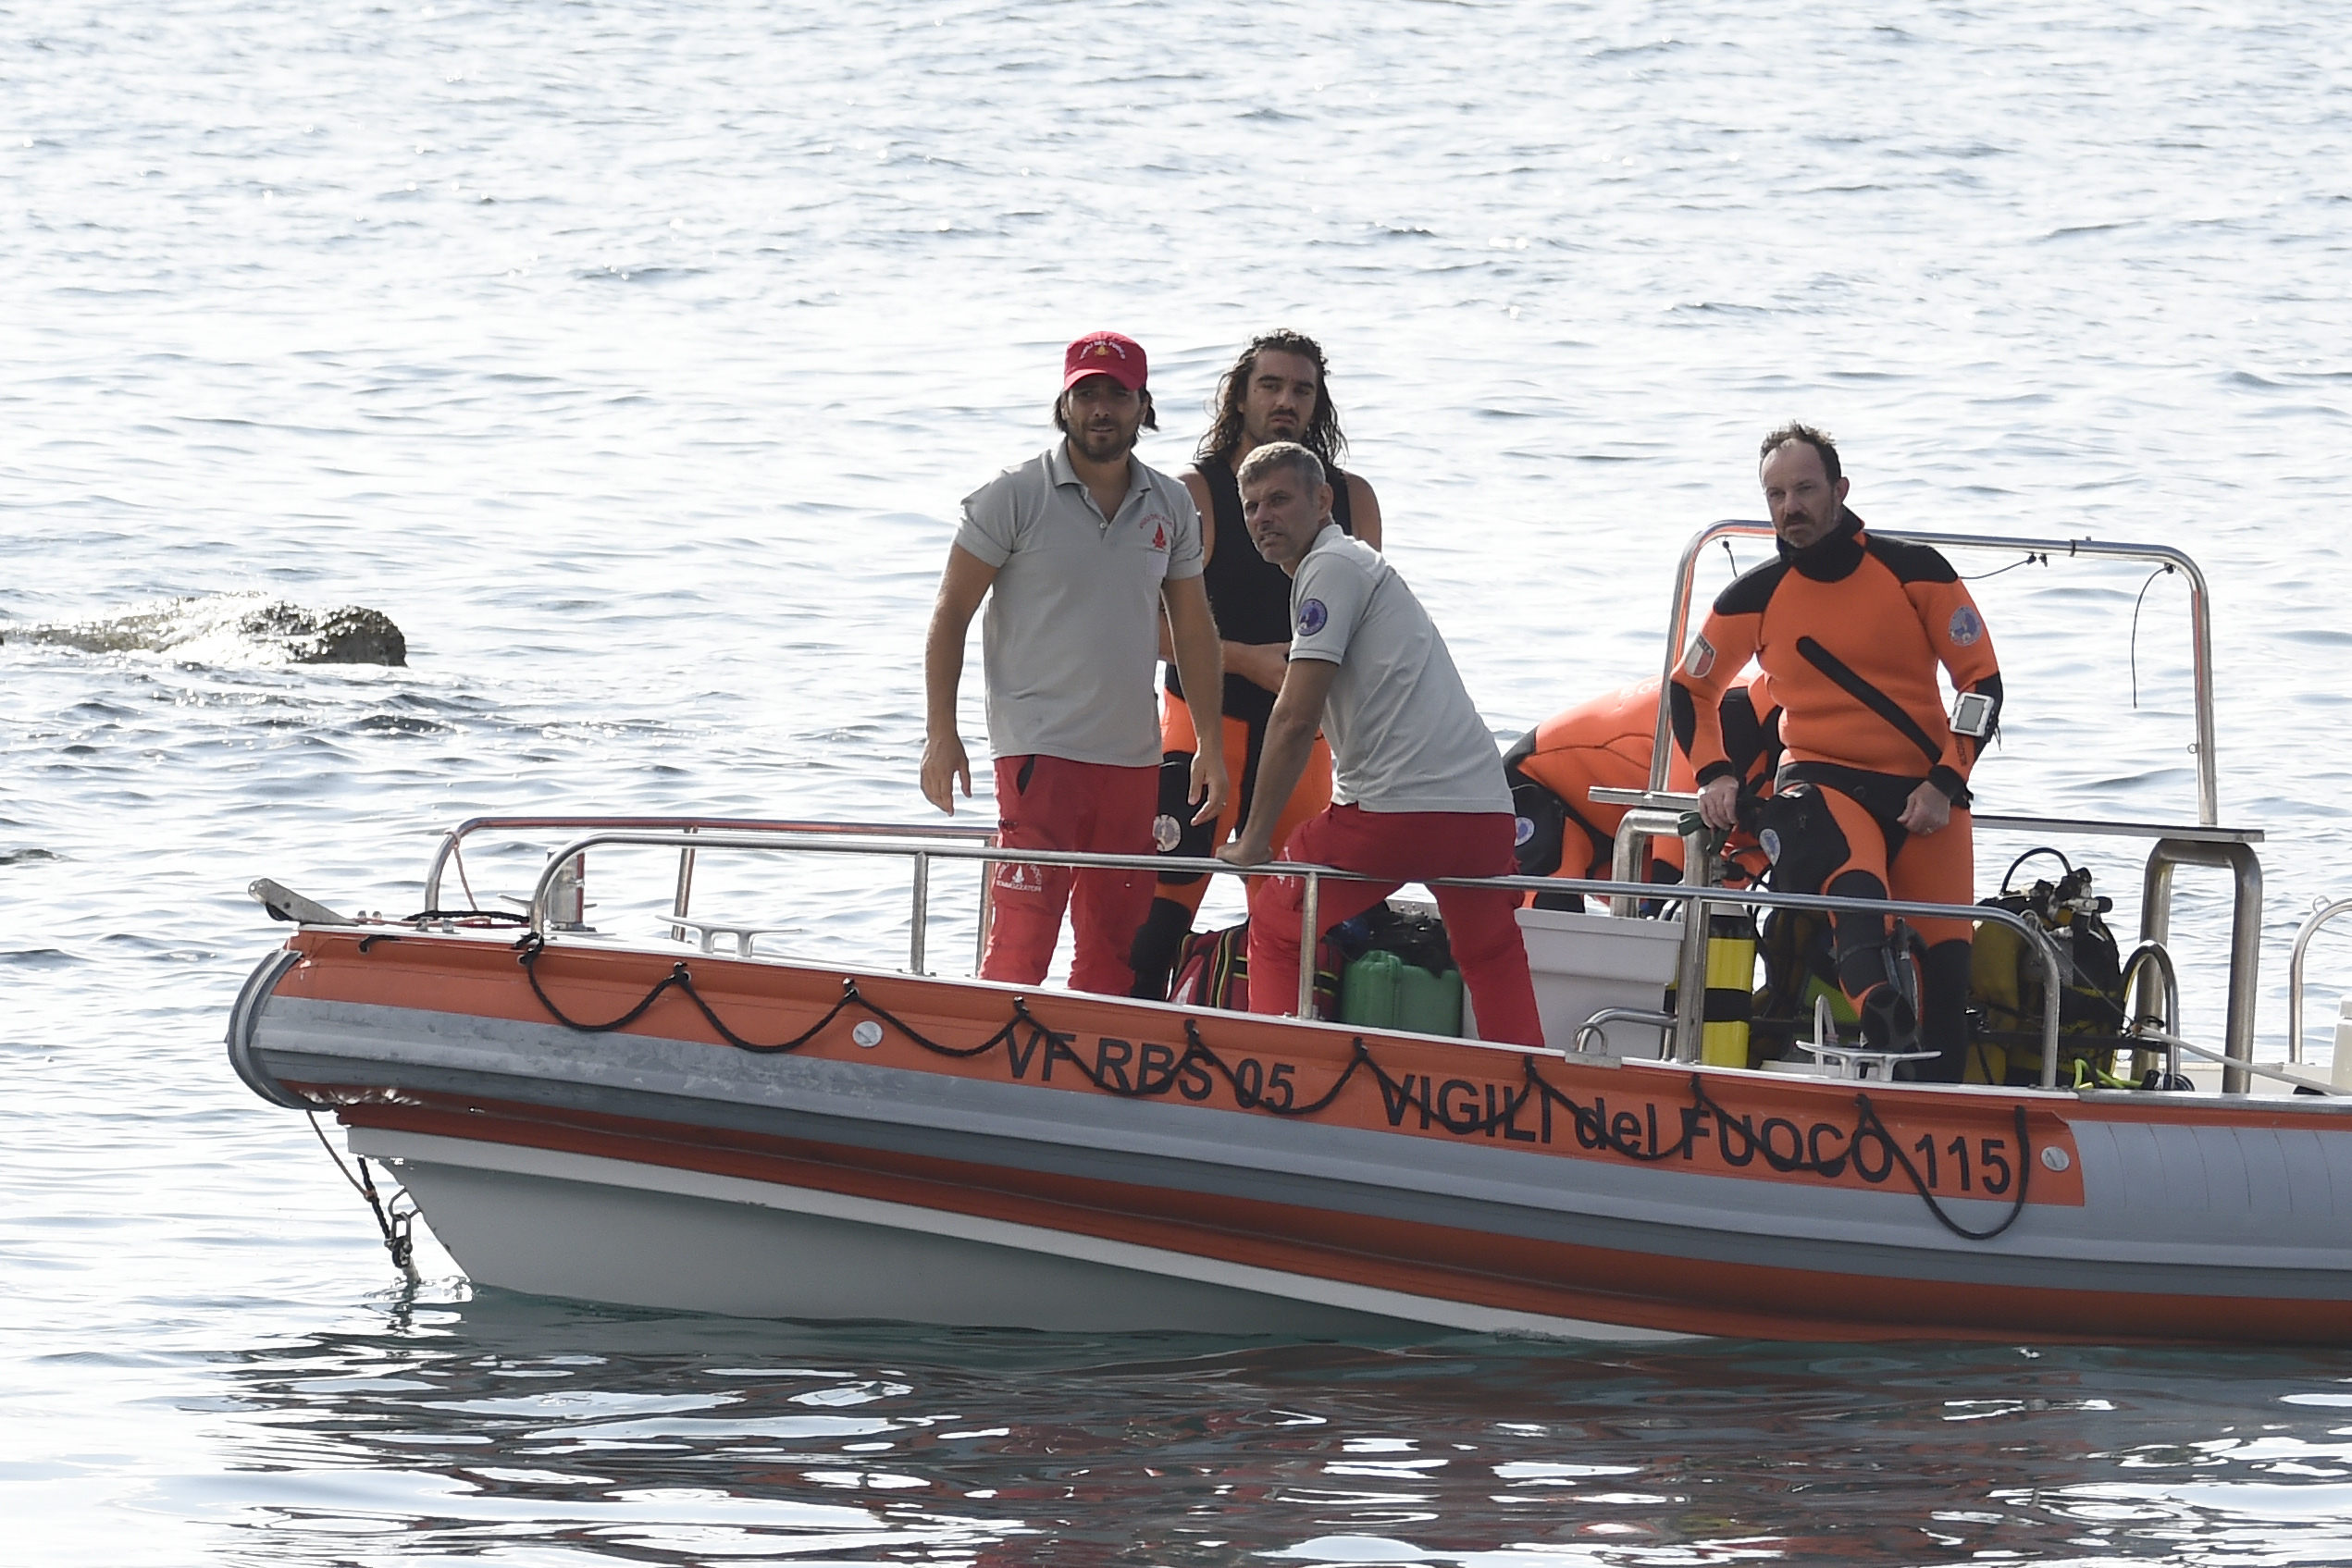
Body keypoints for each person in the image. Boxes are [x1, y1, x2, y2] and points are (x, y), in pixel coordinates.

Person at [1671, 423, 2003, 1079]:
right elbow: (1691, 688)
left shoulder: (1915, 571)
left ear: (1840, 489)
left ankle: (1936, 1116)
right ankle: (1879, 1011)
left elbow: (1981, 683)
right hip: (1820, 785)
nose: (1789, 507)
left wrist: (1944, 781)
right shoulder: (1754, 597)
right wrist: (1713, 773)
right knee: (1855, 901)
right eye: (1775, 494)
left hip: (1924, 794)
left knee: (1946, 981)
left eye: (1804, 489)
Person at [921, 332, 1229, 994]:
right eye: (1086, 394)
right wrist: (941, 734)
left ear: (1144, 406)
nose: (1100, 409)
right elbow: (950, 615)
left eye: (1117, 395)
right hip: (1039, 753)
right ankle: (990, 1078)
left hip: (1132, 760)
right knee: (1021, 944)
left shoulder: (1171, 504)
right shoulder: (1013, 496)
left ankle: (1092, 1086)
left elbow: (1193, 628)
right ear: (1063, 405)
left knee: (1116, 953)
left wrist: (1210, 741)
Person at [1214, 442, 1542, 1046]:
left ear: (1322, 501)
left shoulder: (1330, 565)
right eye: (1251, 506)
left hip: (1392, 813)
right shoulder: (1362, 566)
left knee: (1279, 920)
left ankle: (1273, 1068)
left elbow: (1293, 714)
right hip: (1483, 811)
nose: (1263, 517)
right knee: (1492, 957)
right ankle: (1523, 1096)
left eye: (1280, 500)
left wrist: (1254, 840)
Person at [1127, 330, 1385, 998]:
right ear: (1239, 395)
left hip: (1306, 740)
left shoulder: (1350, 499)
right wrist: (1246, 659)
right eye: (1270, 386)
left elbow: (1371, 625)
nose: (1285, 401)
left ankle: (1286, 1062)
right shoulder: (1196, 491)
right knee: (1160, 916)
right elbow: (1139, 626)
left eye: (1302, 390)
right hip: (1205, 733)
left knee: (1305, 930)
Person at [1504, 673, 1782, 911]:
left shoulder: (1800, 754)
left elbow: (1748, 854)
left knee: (1704, 920)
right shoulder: (1726, 716)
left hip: (1626, 837)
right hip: (1544, 788)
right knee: (1545, 919)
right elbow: (1677, 853)